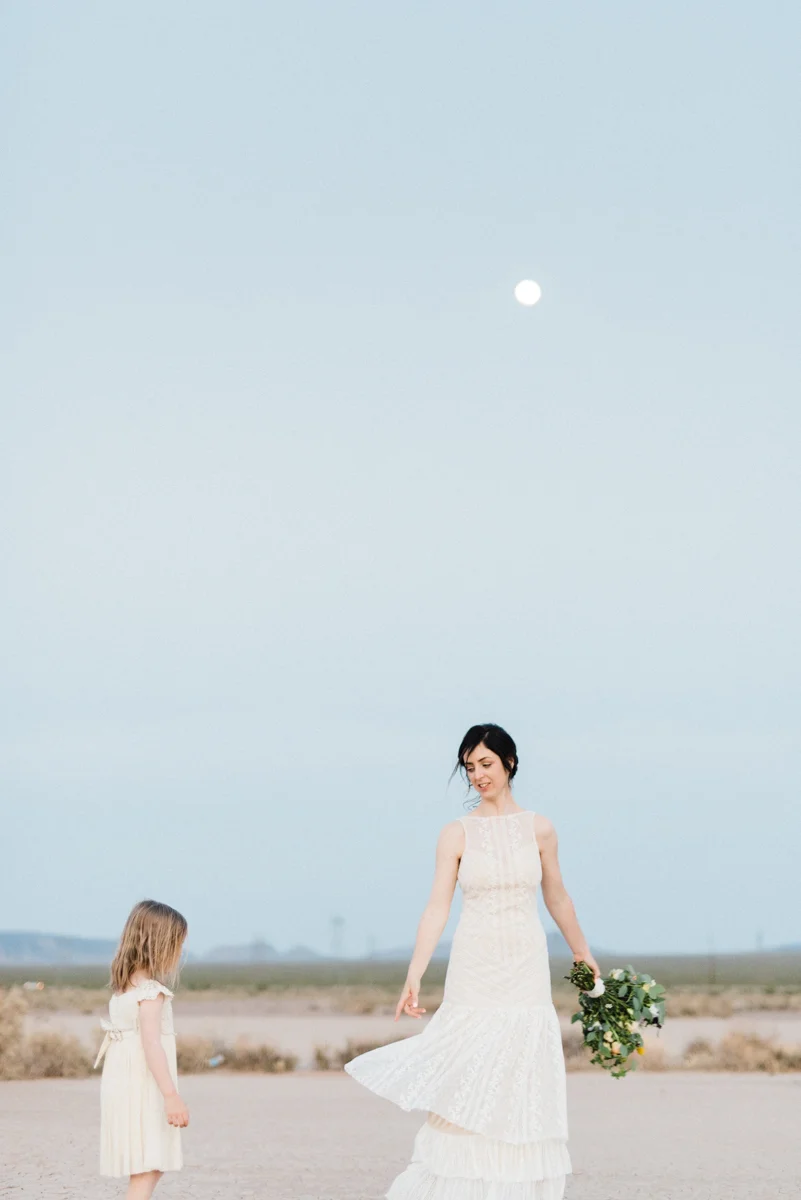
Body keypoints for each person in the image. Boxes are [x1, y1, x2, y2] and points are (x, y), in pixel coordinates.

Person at [346, 723, 600, 1200]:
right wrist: (414, 973)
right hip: (475, 965)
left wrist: (582, 953)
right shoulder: (456, 834)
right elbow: (437, 907)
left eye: (485, 764)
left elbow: (558, 897)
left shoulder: (540, 829)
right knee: (470, 1067)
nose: (478, 775)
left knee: (518, 1070)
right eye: (469, 768)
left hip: (525, 964)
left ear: (509, 763)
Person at [95, 899, 190, 1199]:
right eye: (177, 944)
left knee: (146, 1165)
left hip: (122, 1081)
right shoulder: (151, 993)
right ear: (161, 945)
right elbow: (152, 1045)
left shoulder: (125, 986)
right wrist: (171, 1096)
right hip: (143, 1086)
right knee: (149, 1164)